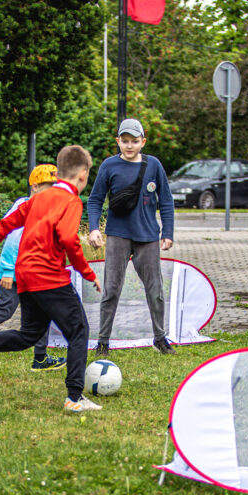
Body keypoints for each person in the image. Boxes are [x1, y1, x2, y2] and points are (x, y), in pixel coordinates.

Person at [0, 145, 104, 412]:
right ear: (83, 175)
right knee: (79, 331)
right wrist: (87, 272)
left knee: (28, 335)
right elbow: (69, 239)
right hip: (49, 278)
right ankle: (74, 397)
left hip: (25, 276)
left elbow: (8, 223)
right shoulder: (71, 201)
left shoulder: (39, 198)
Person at [86, 118, 176, 356]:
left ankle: (160, 338)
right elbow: (94, 200)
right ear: (118, 141)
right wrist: (93, 227)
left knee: (155, 290)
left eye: (134, 141)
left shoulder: (154, 165)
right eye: (124, 141)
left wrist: (167, 232)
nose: (129, 146)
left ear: (143, 142)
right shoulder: (109, 166)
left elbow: (166, 201)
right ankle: (103, 341)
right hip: (118, 235)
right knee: (111, 290)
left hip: (147, 236)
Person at [0, 164, 66, 372]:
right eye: (50, 187)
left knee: (42, 312)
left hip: (32, 273)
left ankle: (40, 358)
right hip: (13, 271)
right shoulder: (26, 208)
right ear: (36, 187)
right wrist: (9, 271)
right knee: (6, 307)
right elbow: (12, 239)